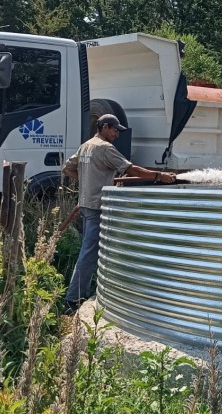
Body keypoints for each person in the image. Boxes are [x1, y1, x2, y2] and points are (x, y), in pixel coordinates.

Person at [61, 114, 176, 314]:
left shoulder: (86, 145)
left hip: (87, 205)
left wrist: (88, 179)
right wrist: (160, 176)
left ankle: (88, 292)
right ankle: (72, 301)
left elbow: (67, 168)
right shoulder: (105, 148)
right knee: (89, 253)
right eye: (115, 130)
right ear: (105, 127)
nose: (116, 134)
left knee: (94, 251)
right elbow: (132, 169)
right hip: (98, 206)